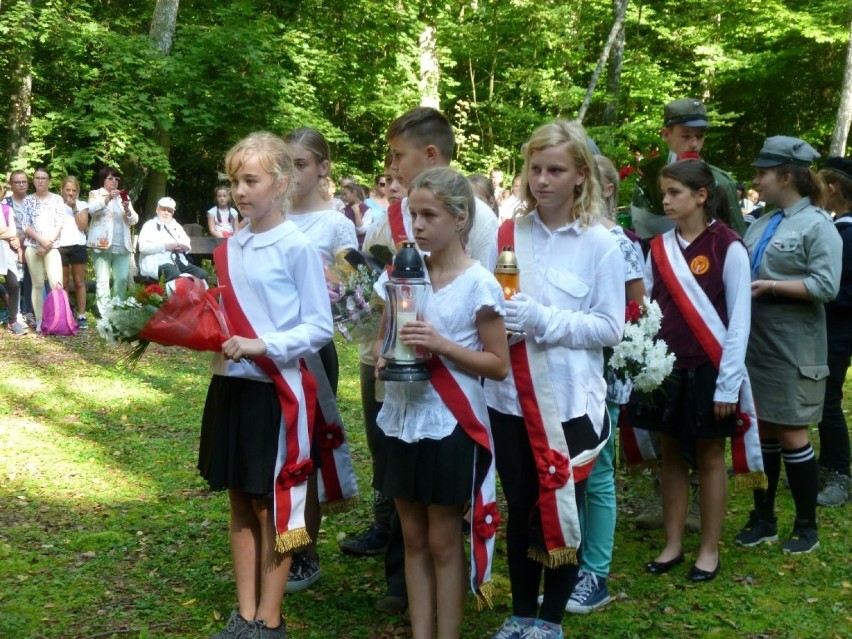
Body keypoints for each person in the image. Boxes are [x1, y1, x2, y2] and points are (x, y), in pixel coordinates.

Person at [486, 119, 624, 639]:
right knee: (521, 504)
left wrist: (544, 320)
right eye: (535, 168)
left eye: (556, 170)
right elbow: (485, 308)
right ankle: (522, 611)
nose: (542, 180)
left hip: (567, 400)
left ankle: (551, 620)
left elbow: (610, 326)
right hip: (510, 399)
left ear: (581, 175)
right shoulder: (507, 235)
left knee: (560, 504)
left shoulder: (600, 244)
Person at [200, 131, 333, 639]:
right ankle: (245, 610)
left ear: (279, 183)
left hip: (278, 391)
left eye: (251, 180)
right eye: (235, 180)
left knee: (272, 502)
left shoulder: (296, 246)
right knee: (239, 497)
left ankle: (270, 619)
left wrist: (264, 345)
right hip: (233, 386)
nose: (240, 190)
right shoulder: (232, 247)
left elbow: (319, 326)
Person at [373, 166, 509, 639]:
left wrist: (442, 344)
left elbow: (497, 364)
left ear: (459, 218)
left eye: (429, 214)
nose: (418, 225)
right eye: (413, 214)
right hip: (401, 417)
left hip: (451, 424)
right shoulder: (403, 275)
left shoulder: (479, 284)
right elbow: (386, 338)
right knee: (411, 536)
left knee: (443, 539)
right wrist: (381, 358)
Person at [631, 158, 751, 584]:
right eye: (663, 193)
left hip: (709, 369)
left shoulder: (728, 246)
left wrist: (728, 385)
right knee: (670, 456)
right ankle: (673, 543)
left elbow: (739, 321)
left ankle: (709, 550)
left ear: (702, 196)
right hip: (666, 368)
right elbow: (646, 309)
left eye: (675, 193)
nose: (665, 200)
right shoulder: (659, 247)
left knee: (709, 456)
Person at [734, 136, 841, 554]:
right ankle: (763, 518)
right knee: (761, 432)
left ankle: (806, 525)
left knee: (793, 433)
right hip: (756, 347)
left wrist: (772, 286)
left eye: (763, 173)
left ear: (786, 175)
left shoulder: (818, 225)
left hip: (794, 349)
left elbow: (826, 285)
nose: (756, 179)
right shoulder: (761, 222)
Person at [558, 155, 645, 614]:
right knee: (571, 472)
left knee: (599, 474)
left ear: (603, 187)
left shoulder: (617, 241)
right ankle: (568, 564)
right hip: (565, 371)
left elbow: (636, 311)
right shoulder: (562, 237)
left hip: (606, 369)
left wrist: (624, 363)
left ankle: (596, 571)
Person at [283, 126, 358, 592]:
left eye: (301, 164)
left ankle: (303, 550)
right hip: (266, 351)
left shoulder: (337, 225)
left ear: (323, 168)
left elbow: (353, 289)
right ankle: (278, 538)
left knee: (304, 453)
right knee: (276, 450)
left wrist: (328, 288)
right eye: (285, 164)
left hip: (311, 352)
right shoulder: (269, 215)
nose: (292, 174)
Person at [630, 98, 745, 239]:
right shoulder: (649, 181)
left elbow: (738, 236)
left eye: (700, 136)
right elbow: (637, 230)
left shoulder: (720, 181)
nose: (694, 144)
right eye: (686, 136)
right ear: (666, 134)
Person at [814, 157, 852, 506]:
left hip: (838, 333)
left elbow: (844, 292)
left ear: (833, 188)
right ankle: (825, 466)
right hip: (827, 331)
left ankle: (840, 474)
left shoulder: (848, 234)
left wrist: (811, 290)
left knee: (828, 403)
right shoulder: (838, 228)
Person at [86, 167, 138, 313]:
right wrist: (108, 198)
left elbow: (134, 220)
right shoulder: (95, 194)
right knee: (102, 280)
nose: (114, 182)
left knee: (121, 280)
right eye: (110, 178)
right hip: (102, 244)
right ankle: (105, 314)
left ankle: (118, 310)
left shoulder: (124, 197)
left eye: (116, 179)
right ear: (103, 180)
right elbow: (92, 210)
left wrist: (127, 210)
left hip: (122, 244)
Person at [21, 168, 65, 333]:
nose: (40, 181)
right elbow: (26, 225)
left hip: (52, 247)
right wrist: (41, 242)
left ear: (49, 180)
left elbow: (59, 223)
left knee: (57, 284)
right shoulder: (28, 200)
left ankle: (58, 319)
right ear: (33, 180)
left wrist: (47, 244)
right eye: (37, 178)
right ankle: (40, 320)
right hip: (33, 248)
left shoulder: (57, 200)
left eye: (44, 178)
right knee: (38, 284)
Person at [138, 197, 209, 284]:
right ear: (157, 210)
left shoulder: (176, 225)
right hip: (160, 262)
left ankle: (197, 298)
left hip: (180, 262)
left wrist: (184, 247)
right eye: (163, 209)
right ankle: (177, 298)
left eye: (169, 211)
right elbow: (143, 247)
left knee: (202, 275)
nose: (166, 213)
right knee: (176, 277)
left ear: (173, 213)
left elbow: (186, 241)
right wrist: (166, 246)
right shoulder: (149, 225)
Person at [57, 176, 90, 328]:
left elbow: (83, 226)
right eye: (68, 190)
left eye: (74, 190)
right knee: (63, 282)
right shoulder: (55, 203)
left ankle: (82, 315)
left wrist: (74, 208)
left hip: (78, 245)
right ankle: (65, 313)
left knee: (78, 281)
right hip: (60, 246)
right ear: (62, 190)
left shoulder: (82, 204)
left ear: (78, 191)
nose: (70, 193)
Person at [7, 170, 34, 326]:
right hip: (10, 246)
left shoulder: (33, 201)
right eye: (17, 182)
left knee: (31, 278)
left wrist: (23, 244)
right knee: (14, 281)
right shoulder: (5, 203)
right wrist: (16, 243)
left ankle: (29, 311)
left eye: (24, 181)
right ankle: (15, 313)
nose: (21, 184)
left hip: (30, 244)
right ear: (11, 184)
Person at [0, 181, 26, 334]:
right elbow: (7, 231)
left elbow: (12, 232)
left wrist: (5, 232)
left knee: (14, 284)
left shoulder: (6, 209)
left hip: (4, 251)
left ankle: (13, 321)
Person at [341, 182, 373, 247]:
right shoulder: (344, 210)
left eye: (345, 194)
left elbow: (362, 230)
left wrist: (357, 213)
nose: (343, 197)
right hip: (347, 244)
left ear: (354, 193)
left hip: (361, 245)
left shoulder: (366, 209)